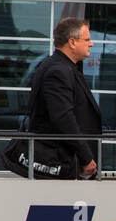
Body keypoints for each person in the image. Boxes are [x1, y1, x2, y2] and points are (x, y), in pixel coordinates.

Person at [25, 17, 101, 178]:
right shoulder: (58, 70)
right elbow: (63, 118)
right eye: (87, 39)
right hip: (57, 163)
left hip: (63, 161)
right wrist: (86, 157)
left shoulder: (64, 67)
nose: (91, 43)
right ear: (72, 42)